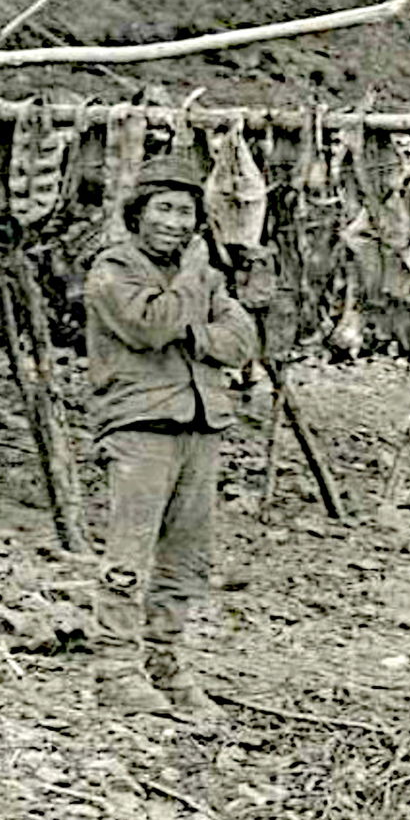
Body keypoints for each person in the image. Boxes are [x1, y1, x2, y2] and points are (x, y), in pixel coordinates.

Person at [86, 154, 259, 714]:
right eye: (163, 209)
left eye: (186, 212)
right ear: (138, 214)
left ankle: (164, 660)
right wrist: (189, 298)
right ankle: (115, 666)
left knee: (185, 558)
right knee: (129, 551)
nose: (175, 223)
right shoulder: (113, 269)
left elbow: (241, 340)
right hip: (141, 427)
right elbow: (149, 324)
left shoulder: (205, 278)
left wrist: (193, 334)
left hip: (201, 425)